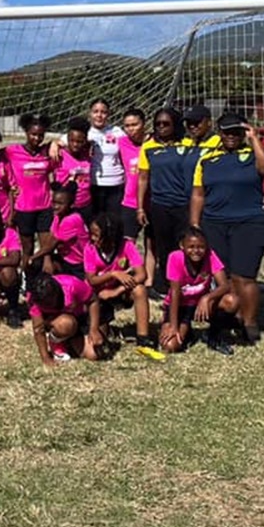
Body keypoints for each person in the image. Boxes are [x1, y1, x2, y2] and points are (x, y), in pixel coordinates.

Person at [190, 113, 264, 346]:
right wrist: (195, 226)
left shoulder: (252, 154)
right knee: (224, 277)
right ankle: (231, 317)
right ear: (219, 132)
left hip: (250, 221)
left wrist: (255, 139)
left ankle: (249, 323)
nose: (231, 136)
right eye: (226, 131)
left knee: (244, 276)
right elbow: (198, 194)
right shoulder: (207, 159)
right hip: (214, 223)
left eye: (236, 132)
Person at [159, 227, 238, 355]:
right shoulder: (175, 258)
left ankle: (213, 336)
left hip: (200, 305)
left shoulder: (210, 255)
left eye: (201, 247)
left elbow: (225, 285)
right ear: (182, 246)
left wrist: (206, 298)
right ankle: (185, 329)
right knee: (170, 346)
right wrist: (173, 326)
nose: (196, 251)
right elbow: (175, 293)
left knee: (231, 301)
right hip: (180, 305)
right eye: (191, 246)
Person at [136, 108, 189, 297]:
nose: (161, 127)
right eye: (158, 124)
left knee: (184, 245)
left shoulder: (188, 144)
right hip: (159, 205)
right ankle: (168, 285)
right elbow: (143, 178)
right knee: (164, 246)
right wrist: (140, 207)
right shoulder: (148, 147)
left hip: (184, 205)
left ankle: (188, 282)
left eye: (165, 123)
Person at [83, 212, 152, 351]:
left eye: (96, 235)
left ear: (110, 236)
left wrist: (117, 291)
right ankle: (100, 326)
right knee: (100, 341)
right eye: (91, 234)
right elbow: (92, 280)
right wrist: (113, 274)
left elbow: (142, 275)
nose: (92, 238)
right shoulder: (89, 248)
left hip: (119, 291)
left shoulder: (126, 245)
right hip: (98, 295)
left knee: (140, 290)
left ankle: (143, 338)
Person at [26, 271, 104, 366]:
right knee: (66, 324)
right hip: (58, 323)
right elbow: (38, 328)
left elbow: (93, 300)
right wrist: (46, 357)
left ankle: (68, 342)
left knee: (94, 354)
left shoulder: (72, 285)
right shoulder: (34, 298)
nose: (48, 305)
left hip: (79, 318)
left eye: (49, 301)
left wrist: (94, 329)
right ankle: (55, 341)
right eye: (45, 304)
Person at [5, 114, 56, 258]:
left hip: (45, 207)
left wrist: (55, 143)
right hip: (23, 208)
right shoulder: (12, 151)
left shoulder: (47, 152)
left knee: (46, 250)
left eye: (41, 135)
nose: (37, 138)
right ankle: (26, 278)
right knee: (27, 249)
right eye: (33, 134)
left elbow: (64, 143)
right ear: (26, 133)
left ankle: (44, 279)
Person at [28, 183, 88, 277]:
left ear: (71, 205)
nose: (55, 206)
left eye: (60, 204)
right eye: (54, 202)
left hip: (79, 264)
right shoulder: (58, 216)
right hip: (65, 259)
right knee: (40, 265)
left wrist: (32, 257)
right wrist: (46, 259)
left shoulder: (71, 220)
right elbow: (51, 236)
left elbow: (52, 244)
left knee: (36, 262)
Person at [54, 117, 94, 223]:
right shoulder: (59, 154)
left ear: (85, 140)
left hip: (86, 205)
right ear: (67, 139)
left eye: (79, 141)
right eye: (72, 140)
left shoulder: (89, 153)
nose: (75, 144)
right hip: (66, 207)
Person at [117, 108, 147, 243]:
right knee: (127, 244)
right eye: (127, 126)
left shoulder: (154, 143)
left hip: (153, 202)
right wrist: (56, 143)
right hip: (130, 202)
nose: (131, 129)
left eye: (135, 124)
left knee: (152, 244)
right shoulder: (121, 142)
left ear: (144, 124)